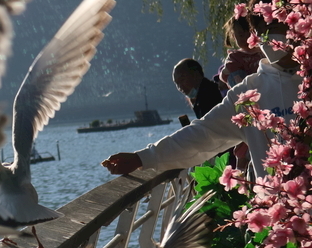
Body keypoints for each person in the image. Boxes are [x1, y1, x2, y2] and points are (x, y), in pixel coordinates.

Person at [103, 23, 300, 180]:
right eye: (260, 30)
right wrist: (143, 158)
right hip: (280, 219)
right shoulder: (247, 94)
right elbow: (202, 135)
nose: (266, 37)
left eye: (273, 27)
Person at [220, 16, 262, 88]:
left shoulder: (263, 50)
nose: (246, 38)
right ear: (234, 37)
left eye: (249, 33)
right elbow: (224, 76)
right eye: (241, 35)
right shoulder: (235, 56)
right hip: (248, 88)